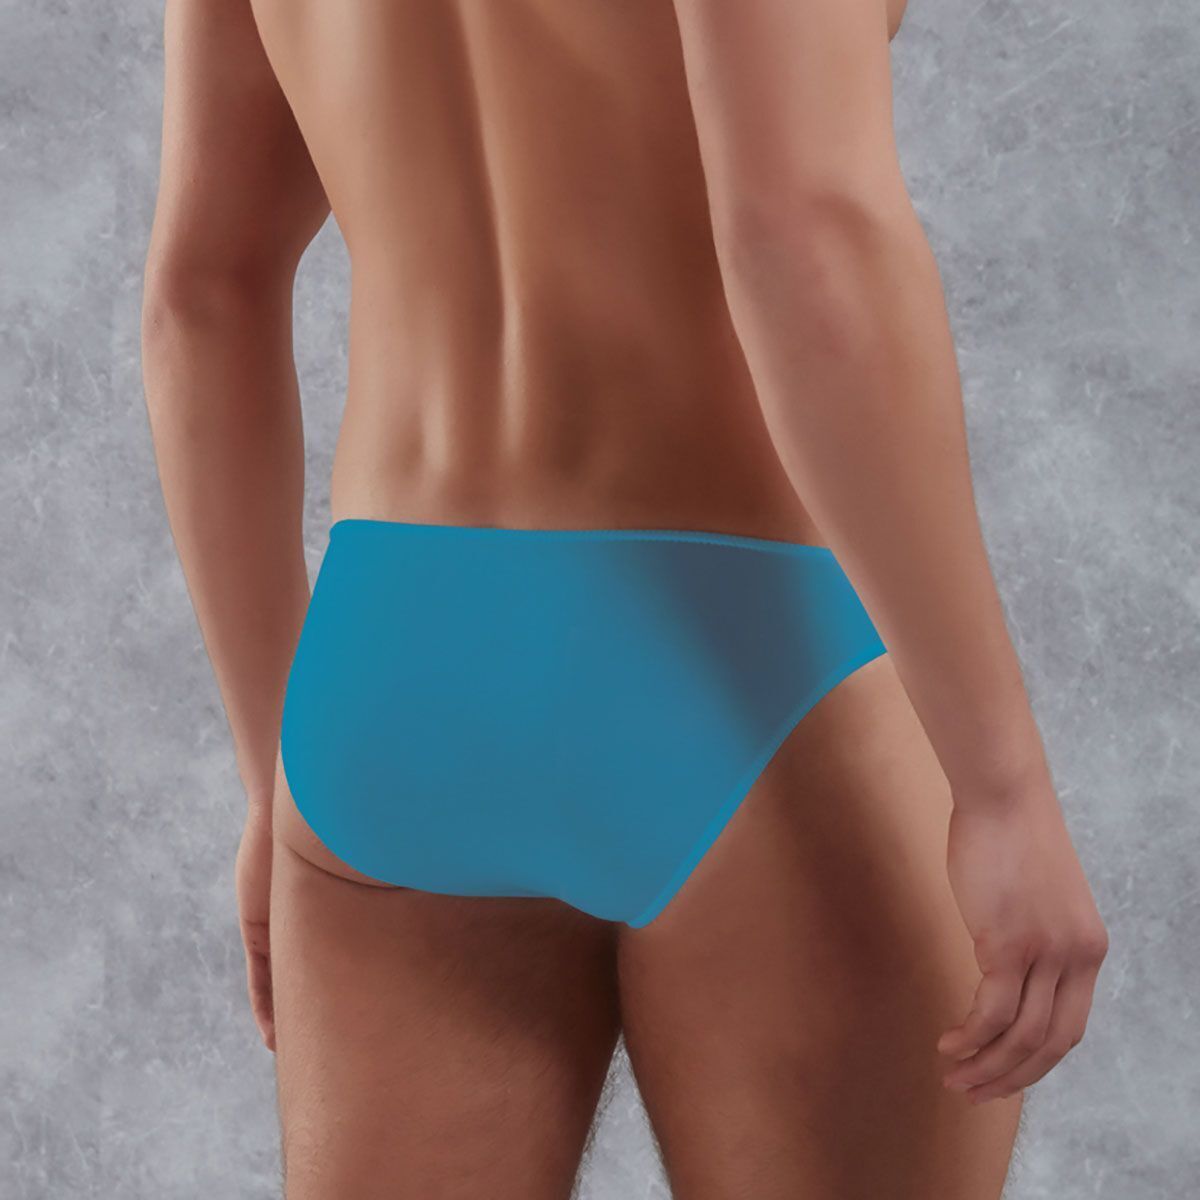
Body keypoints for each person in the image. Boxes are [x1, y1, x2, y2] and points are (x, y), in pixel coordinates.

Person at [140, 0, 1108, 1196]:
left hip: (389, 676)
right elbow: (803, 234)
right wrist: (1002, 787)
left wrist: (270, 766)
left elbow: (204, 290)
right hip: (744, 666)